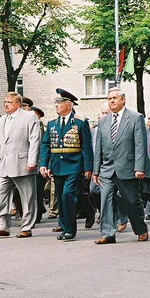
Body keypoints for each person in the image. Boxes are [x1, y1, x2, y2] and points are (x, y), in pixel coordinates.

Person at [92, 87, 149, 244]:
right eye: (109, 98)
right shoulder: (103, 121)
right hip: (107, 169)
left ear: (123, 99)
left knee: (132, 201)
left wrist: (139, 167)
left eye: (114, 98)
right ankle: (108, 233)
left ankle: (141, 229)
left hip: (127, 167)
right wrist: (96, 171)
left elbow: (140, 145)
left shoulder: (135, 118)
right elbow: (99, 148)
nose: (111, 101)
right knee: (106, 201)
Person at [40, 88, 93, 241]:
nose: (56, 105)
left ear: (69, 105)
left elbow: (87, 146)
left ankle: (70, 229)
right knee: (60, 197)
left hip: (74, 165)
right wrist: (44, 164)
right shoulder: (51, 124)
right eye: (56, 103)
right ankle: (63, 226)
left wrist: (88, 166)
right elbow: (46, 145)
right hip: (57, 166)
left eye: (60, 103)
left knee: (68, 195)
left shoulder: (80, 122)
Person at [0, 92, 41, 238]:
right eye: (5, 102)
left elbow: (35, 139)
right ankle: (1, 227)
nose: (6, 104)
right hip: (4, 164)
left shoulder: (29, 117)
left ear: (18, 104)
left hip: (22, 162)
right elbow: (0, 143)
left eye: (9, 102)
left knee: (28, 198)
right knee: (1, 197)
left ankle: (26, 227)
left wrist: (32, 160)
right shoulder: (2, 120)